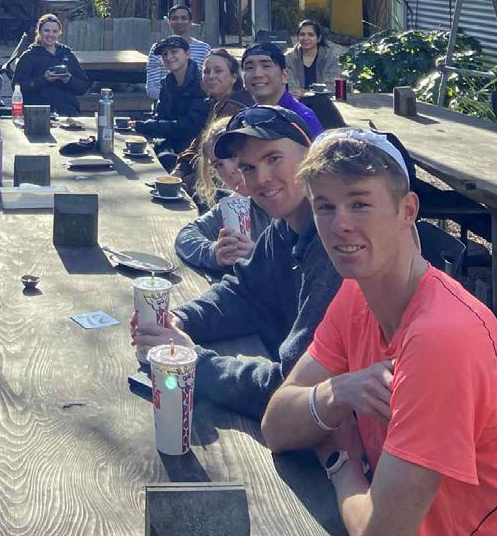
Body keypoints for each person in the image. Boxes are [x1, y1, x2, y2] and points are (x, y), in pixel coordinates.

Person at [262, 130, 497, 536]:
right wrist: (338, 392)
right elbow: (276, 426)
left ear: (407, 210)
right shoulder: (356, 295)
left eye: (360, 203)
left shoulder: (441, 337)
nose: (340, 224)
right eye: (325, 206)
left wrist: (340, 462)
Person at [133, 106, 343, 419]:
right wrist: (179, 320)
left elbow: (291, 390)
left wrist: (192, 361)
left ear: (310, 156)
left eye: (273, 158)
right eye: (248, 167)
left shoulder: (335, 247)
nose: (262, 178)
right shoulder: (286, 226)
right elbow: (244, 293)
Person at [175, 117, 270, 277]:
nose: (229, 171)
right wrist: (214, 252)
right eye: (219, 165)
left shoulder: (280, 201)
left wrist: (256, 257)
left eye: (233, 156)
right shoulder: (236, 203)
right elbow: (185, 236)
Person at [173, 47, 253, 189]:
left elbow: (219, 160)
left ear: (234, 77)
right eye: (206, 71)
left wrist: (184, 179)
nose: (211, 76)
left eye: (218, 71)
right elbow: (200, 142)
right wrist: (181, 167)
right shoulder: (217, 103)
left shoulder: (236, 108)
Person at [133, 36, 211, 172]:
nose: (169, 57)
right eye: (165, 54)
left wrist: (144, 126)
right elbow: (160, 118)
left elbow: (188, 127)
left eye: (174, 52)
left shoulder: (201, 85)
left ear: (187, 54)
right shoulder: (167, 83)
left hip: (194, 153)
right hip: (171, 146)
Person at [11, 13, 90, 115]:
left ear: (60, 33)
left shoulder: (67, 53)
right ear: (39, 31)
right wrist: (43, 79)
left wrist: (69, 80)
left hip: (67, 108)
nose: (50, 35)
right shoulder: (29, 56)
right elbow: (17, 87)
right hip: (39, 110)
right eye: (46, 31)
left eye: (55, 31)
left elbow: (83, 86)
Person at [242, 41, 323, 137]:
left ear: (284, 75)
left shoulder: (302, 118)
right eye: (250, 67)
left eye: (266, 66)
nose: (257, 74)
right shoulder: (244, 119)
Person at [145, 4, 211, 101]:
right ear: (168, 21)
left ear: (191, 22)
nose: (179, 21)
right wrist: (175, 98)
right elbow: (151, 88)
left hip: (196, 101)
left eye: (184, 18)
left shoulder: (204, 49)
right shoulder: (157, 49)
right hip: (165, 103)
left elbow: (207, 82)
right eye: (175, 18)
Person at [285, 20, 342, 97]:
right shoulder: (288, 58)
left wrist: (306, 94)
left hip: (324, 101)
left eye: (311, 35)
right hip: (296, 101)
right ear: (297, 38)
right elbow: (291, 88)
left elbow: (330, 87)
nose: (306, 38)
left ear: (319, 38)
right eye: (302, 34)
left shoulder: (330, 58)